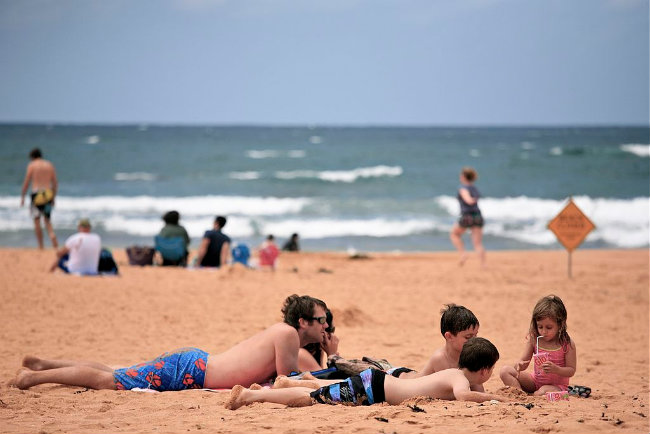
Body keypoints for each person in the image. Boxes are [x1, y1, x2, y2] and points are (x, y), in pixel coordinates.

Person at [13, 294, 330, 391]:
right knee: (109, 380)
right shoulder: (287, 335)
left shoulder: (283, 333)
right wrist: (333, 355)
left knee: (117, 371)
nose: (326, 324)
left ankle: (44, 364)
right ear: (303, 322)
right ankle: (33, 378)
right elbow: (286, 380)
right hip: (192, 371)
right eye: (321, 320)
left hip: (195, 365)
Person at [225, 337, 505, 409]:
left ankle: (277, 386)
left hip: (377, 385)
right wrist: (499, 399)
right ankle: (250, 396)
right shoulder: (458, 378)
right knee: (313, 399)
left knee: (320, 393)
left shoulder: (457, 373)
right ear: (484, 370)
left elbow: (470, 392)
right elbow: (464, 396)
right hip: (374, 389)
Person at [499, 295, 576, 396]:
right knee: (505, 371)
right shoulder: (534, 339)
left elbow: (571, 371)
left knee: (541, 392)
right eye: (540, 327)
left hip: (557, 386)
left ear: (560, 324)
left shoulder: (567, 343)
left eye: (549, 327)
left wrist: (556, 369)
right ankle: (520, 395)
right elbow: (523, 362)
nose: (543, 331)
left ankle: (537, 395)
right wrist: (519, 365)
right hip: (535, 381)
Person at [393, 304, 480, 382]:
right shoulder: (440, 359)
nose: (474, 340)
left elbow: (477, 386)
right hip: (399, 379)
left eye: (475, 335)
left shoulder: (470, 358)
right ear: (449, 336)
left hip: (413, 374)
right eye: (468, 337)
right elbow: (449, 391)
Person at [20, 148, 59, 249]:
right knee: (47, 220)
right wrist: (53, 197)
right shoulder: (49, 165)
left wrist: (23, 196)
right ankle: (52, 235)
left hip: (37, 194)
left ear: (32, 157)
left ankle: (41, 245)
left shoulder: (32, 165)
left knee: (37, 220)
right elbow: (55, 183)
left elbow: (27, 181)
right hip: (48, 194)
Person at [449, 167, 485, 267]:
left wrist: (470, 200)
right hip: (477, 215)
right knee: (478, 243)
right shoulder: (474, 188)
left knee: (454, 234)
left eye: (461, 175)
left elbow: (468, 199)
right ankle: (483, 264)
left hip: (467, 215)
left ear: (464, 176)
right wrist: (473, 200)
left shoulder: (463, 188)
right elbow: (474, 199)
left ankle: (463, 254)